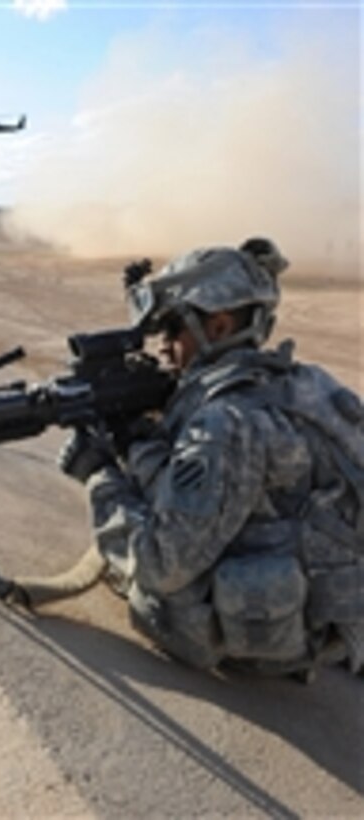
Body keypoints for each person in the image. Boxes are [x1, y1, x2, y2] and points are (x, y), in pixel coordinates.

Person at [57, 238, 364, 681]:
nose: (162, 347)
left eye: (172, 330)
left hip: (304, 637)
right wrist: (139, 443)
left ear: (217, 327)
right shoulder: (305, 383)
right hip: (342, 609)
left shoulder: (225, 420)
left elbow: (162, 563)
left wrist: (99, 476)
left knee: (160, 602)